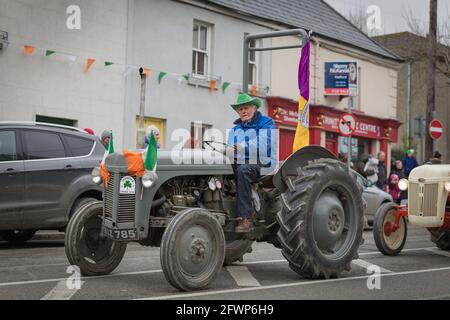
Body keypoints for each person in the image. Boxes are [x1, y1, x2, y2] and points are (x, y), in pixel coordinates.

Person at [227, 93, 275, 232]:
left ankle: (245, 218)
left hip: (262, 162)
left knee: (243, 170)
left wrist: (241, 147)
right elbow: (230, 148)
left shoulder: (266, 123)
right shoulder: (235, 129)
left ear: (254, 108)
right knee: (222, 167)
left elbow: (263, 144)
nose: (243, 111)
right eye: (240, 109)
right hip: (241, 161)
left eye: (246, 108)